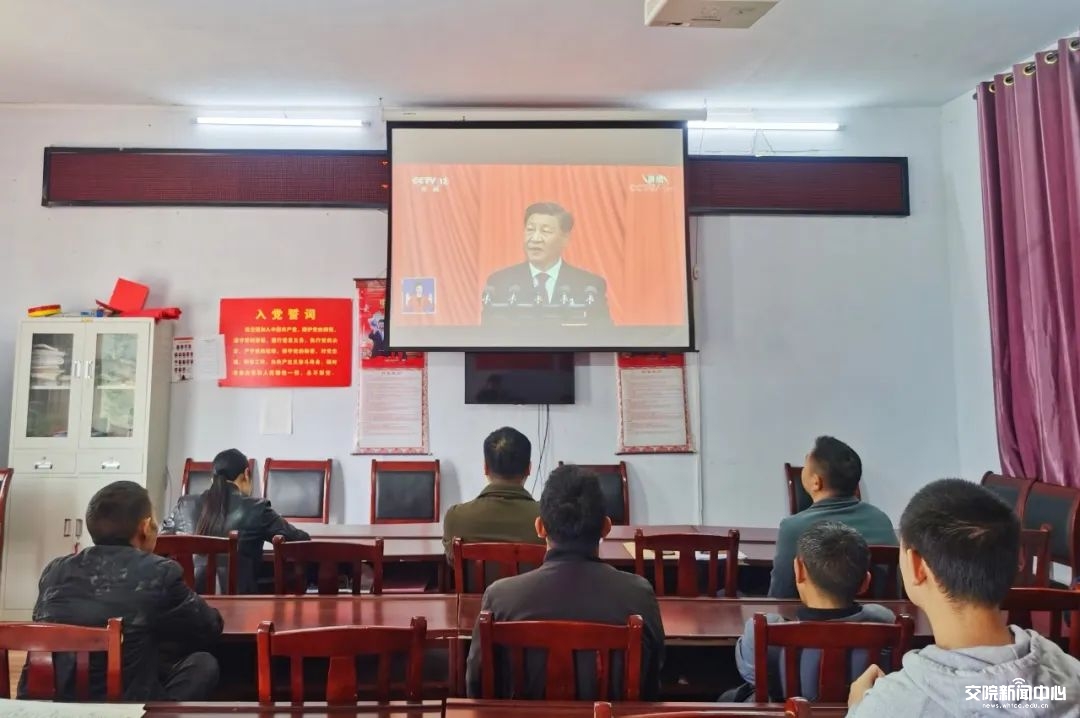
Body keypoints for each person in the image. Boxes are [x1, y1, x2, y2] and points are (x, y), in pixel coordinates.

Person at [847, 479, 1080, 717]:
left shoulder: (886, 706)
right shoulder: (1070, 671)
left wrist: (857, 708)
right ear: (1017, 561)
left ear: (917, 566)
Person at [465, 464, 665, 700]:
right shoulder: (638, 594)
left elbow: (477, 684)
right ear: (606, 527)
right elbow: (652, 680)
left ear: (540, 527)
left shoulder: (500, 598)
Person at [20, 481, 222, 701]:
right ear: (145, 527)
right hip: (126, 705)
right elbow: (209, 626)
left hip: (58, 701)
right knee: (204, 663)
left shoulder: (55, 570)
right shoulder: (159, 572)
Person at [725, 522, 895, 701]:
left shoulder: (762, 630)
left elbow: (752, 676)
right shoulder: (885, 622)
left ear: (798, 571)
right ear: (866, 582)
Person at [163, 448, 310, 594]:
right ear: (246, 474)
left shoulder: (184, 505)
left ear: (212, 478)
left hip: (190, 602)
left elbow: (159, 545)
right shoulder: (257, 508)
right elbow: (301, 541)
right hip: (241, 604)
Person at [768, 436, 896, 598]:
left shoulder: (792, 528)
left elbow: (781, 595)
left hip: (812, 614)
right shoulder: (881, 520)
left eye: (806, 464)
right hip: (878, 614)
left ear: (816, 482)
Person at [481, 202, 611, 325]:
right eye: (530, 229)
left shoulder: (589, 286)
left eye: (545, 231)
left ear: (565, 238)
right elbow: (489, 335)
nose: (535, 238)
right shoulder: (500, 283)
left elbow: (603, 335)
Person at [442, 427, 544, 560]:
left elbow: (451, 562)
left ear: (485, 468)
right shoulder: (549, 520)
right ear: (529, 469)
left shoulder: (455, 518)